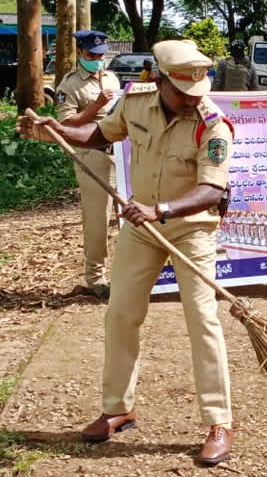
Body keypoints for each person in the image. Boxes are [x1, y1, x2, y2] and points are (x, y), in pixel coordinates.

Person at [18, 39, 237, 463]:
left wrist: (161, 209)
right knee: (121, 313)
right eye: (182, 91)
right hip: (142, 230)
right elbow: (97, 134)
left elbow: (212, 190)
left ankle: (218, 421)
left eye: (197, 91)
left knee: (202, 319)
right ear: (159, 80)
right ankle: (118, 409)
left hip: (189, 229)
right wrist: (58, 130)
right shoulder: (135, 103)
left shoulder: (213, 124)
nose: (193, 98)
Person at [55, 30, 121, 300]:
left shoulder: (111, 77)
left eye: (101, 54)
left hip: (120, 152)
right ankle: (95, 278)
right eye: (92, 55)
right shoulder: (68, 85)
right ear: (80, 53)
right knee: (97, 217)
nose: (98, 59)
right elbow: (67, 124)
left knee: (130, 214)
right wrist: (96, 106)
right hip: (92, 154)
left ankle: (129, 273)